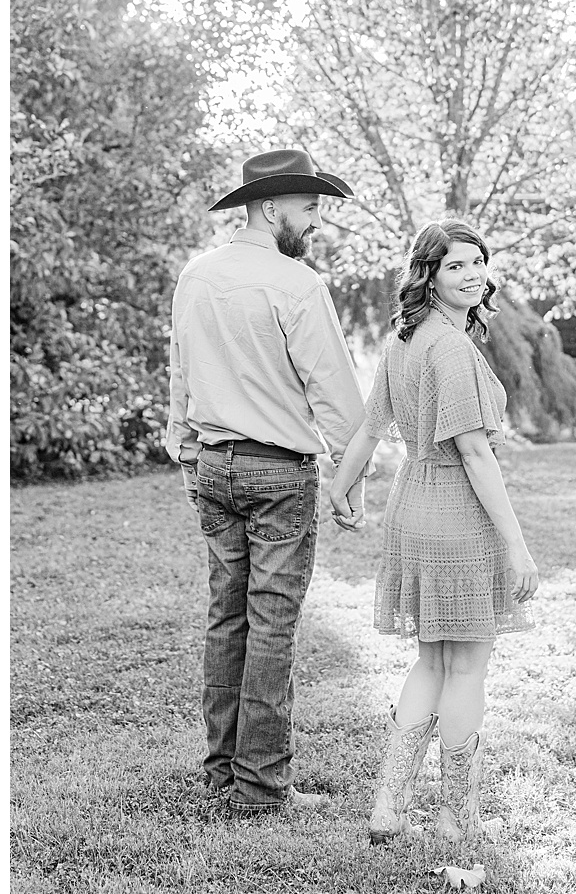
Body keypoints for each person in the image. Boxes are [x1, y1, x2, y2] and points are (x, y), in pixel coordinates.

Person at [167, 148, 367, 815]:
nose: (315, 222)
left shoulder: (195, 276)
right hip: (278, 473)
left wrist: (185, 448)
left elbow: (181, 374)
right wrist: (351, 481)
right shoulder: (295, 283)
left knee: (228, 619)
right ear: (271, 206)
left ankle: (220, 776)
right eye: (309, 207)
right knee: (271, 624)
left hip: (213, 468)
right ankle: (259, 789)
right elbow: (337, 394)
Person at [328, 219, 539, 844]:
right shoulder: (449, 347)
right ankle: (454, 815)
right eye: (456, 266)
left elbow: (369, 430)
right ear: (429, 273)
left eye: (478, 263)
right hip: (456, 513)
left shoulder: (406, 339)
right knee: (468, 667)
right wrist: (516, 544)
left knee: (431, 661)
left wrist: (341, 486)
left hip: (411, 507)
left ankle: (389, 808)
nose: (472, 275)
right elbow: (476, 455)